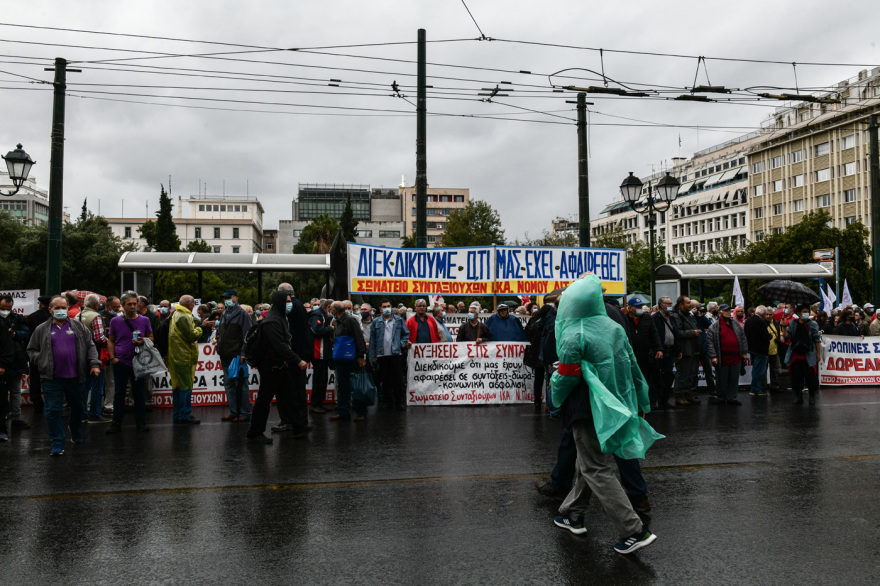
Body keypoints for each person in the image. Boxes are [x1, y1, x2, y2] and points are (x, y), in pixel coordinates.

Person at [549, 275, 659, 554]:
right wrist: (640, 400)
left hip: (585, 408)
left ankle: (634, 530)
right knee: (588, 463)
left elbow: (567, 376)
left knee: (594, 466)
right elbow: (631, 365)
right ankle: (572, 513)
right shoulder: (613, 327)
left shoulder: (573, 333)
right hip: (615, 403)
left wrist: (554, 388)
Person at [26, 295, 101, 455]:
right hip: (51, 379)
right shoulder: (42, 329)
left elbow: (91, 345)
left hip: (76, 377)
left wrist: (94, 364)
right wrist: (41, 360)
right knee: (52, 410)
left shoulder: (79, 327)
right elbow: (31, 350)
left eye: (63, 307)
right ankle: (58, 442)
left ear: (68, 308)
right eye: (57, 308)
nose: (61, 310)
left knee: (79, 408)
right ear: (50, 310)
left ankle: (74, 430)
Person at [246, 290, 312, 444]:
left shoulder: (279, 318)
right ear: (280, 302)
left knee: (290, 397)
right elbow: (279, 345)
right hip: (271, 367)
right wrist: (297, 360)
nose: (290, 304)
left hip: (279, 366)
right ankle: (255, 432)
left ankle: (300, 428)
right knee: (264, 400)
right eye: (287, 301)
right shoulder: (272, 321)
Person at [106, 291, 154, 435]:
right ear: (123, 305)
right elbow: (111, 340)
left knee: (138, 393)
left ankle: (140, 422)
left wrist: (143, 340)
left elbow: (151, 337)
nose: (133, 307)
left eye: (135, 304)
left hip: (138, 361)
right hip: (121, 361)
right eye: (129, 304)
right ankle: (116, 422)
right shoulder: (116, 321)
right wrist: (113, 357)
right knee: (119, 393)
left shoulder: (144, 320)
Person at [272, 283, 313, 433]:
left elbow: (289, 335)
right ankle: (300, 421)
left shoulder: (289, 308)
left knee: (288, 391)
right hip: (299, 355)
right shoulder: (300, 306)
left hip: (292, 357)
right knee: (298, 390)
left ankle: (289, 421)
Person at [216, 289, 252, 423]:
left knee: (240, 384)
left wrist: (243, 353)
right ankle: (234, 411)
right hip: (225, 353)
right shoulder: (225, 313)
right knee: (229, 383)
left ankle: (244, 412)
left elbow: (247, 335)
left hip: (236, 355)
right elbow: (220, 332)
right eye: (225, 298)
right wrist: (218, 345)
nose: (227, 300)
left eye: (229, 297)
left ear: (236, 298)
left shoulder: (242, 314)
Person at [328, 301, 367, 422]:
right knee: (342, 387)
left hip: (353, 359)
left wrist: (361, 356)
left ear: (336, 310)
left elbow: (359, 338)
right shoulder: (335, 322)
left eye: (332, 309)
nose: (330, 310)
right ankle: (343, 411)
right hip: (340, 360)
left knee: (356, 387)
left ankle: (361, 412)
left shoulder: (350, 320)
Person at [167, 295, 203, 424]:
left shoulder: (176, 314)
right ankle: (184, 414)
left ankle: (178, 414)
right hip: (184, 356)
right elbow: (191, 336)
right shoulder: (185, 316)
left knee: (177, 387)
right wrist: (201, 328)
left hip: (175, 356)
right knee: (186, 387)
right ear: (190, 305)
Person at [369, 299, 411, 411]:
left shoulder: (398, 320)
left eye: (388, 306)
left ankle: (399, 402)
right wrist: (372, 357)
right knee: (385, 380)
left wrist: (401, 344)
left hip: (396, 353)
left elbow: (406, 334)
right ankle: (388, 402)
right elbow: (372, 340)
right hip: (382, 355)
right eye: (384, 306)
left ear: (391, 306)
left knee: (398, 379)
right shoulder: (376, 322)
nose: (386, 308)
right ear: (380, 308)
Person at [77, 293, 111, 423]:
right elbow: (99, 338)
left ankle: (82, 413)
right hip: (95, 355)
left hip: (81, 355)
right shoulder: (96, 317)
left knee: (84, 386)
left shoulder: (77, 315)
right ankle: (95, 413)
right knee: (97, 386)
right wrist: (111, 344)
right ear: (96, 305)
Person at [706, 304, 748, 405]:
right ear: (720, 313)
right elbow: (710, 343)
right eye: (726, 311)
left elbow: (743, 338)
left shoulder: (736, 324)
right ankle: (721, 397)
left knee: (734, 379)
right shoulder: (714, 326)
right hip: (722, 358)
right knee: (722, 379)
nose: (728, 312)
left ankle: (732, 397)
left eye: (729, 311)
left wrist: (744, 351)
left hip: (735, 357)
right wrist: (713, 356)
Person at [0, 294, 31, 431]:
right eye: (3, 308)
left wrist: (15, 334)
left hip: (16, 361)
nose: (6, 311)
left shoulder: (17, 319)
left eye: (8, 308)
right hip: (3, 362)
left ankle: (16, 418)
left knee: (15, 392)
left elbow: (26, 333)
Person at [623, 298, 662, 406]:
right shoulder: (625, 319)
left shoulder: (647, 318)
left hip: (647, 355)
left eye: (641, 306)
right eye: (637, 306)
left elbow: (654, 334)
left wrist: (659, 348)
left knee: (650, 379)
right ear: (630, 308)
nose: (640, 308)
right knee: (635, 380)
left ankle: (651, 402)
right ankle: (637, 403)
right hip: (632, 355)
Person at [786, 304, 822, 405]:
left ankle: (812, 396)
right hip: (796, 355)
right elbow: (787, 336)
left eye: (807, 312)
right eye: (804, 311)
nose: (806, 314)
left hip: (809, 354)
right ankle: (798, 397)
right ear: (798, 313)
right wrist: (784, 326)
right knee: (796, 376)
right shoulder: (792, 323)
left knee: (811, 377)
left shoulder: (812, 324)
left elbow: (816, 339)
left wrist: (818, 354)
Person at [670, 295, 701, 406]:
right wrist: (693, 332)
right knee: (682, 374)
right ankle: (679, 395)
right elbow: (677, 332)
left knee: (690, 374)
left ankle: (688, 393)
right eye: (688, 303)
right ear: (681, 305)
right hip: (684, 349)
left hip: (692, 349)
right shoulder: (676, 316)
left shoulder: (689, 315)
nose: (690, 305)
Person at [26, 295, 53, 414]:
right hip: (52, 353)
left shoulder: (33, 317)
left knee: (35, 378)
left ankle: (37, 402)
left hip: (36, 352)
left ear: (40, 304)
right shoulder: (53, 317)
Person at [308, 298, 334, 414]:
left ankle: (319, 403)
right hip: (318, 352)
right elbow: (316, 330)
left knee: (323, 379)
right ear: (328, 307)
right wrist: (331, 328)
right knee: (319, 379)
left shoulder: (323, 315)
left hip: (324, 352)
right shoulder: (317, 315)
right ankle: (315, 404)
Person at [652, 297, 678, 410]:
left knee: (668, 376)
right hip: (660, 351)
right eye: (668, 303)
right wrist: (658, 349)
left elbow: (676, 334)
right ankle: (655, 401)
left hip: (671, 350)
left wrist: (678, 350)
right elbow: (654, 335)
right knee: (657, 377)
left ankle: (665, 400)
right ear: (661, 305)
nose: (670, 305)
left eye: (671, 303)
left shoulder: (672, 318)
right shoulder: (655, 318)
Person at [525, 304, 552, 411]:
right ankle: (549, 402)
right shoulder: (547, 322)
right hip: (545, 354)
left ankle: (537, 401)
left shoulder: (534, 322)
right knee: (549, 378)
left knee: (538, 379)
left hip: (536, 354)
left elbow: (528, 333)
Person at [100, 296, 122, 415]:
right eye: (115, 307)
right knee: (100, 382)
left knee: (111, 381)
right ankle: (99, 405)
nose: (118, 309)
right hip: (103, 354)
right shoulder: (100, 317)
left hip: (114, 354)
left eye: (119, 306)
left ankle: (109, 405)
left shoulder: (121, 317)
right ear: (108, 306)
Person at [744, 306, 772, 397]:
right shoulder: (761, 322)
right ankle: (756, 388)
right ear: (763, 314)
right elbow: (765, 336)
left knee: (755, 369)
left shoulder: (748, 320)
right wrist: (770, 336)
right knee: (759, 371)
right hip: (761, 350)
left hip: (751, 348)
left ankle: (755, 388)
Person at [136, 296, 159, 407]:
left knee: (147, 376)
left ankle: (148, 401)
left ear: (143, 304)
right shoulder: (132, 316)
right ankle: (134, 402)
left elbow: (156, 334)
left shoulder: (152, 317)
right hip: (134, 349)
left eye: (137, 302)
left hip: (147, 350)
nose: (134, 304)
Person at [694, 305, 717, 399]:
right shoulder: (691, 317)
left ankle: (712, 390)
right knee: (694, 372)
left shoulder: (701, 318)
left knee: (709, 371)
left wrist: (702, 316)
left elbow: (709, 324)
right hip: (695, 348)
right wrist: (696, 315)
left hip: (704, 348)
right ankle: (693, 392)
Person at [765, 310, 784, 392]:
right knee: (764, 370)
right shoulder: (762, 323)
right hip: (765, 350)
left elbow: (780, 333)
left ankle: (774, 385)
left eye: (770, 314)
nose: (768, 316)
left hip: (775, 349)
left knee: (775, 369)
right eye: (767, 314)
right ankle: (764, 386)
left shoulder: (776, 323)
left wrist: (781, 337)